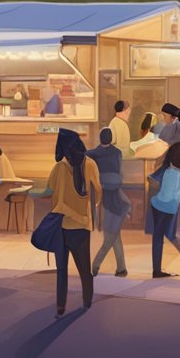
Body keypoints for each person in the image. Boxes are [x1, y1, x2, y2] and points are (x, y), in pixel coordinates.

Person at [44, 129, 101, 316]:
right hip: (82, 225)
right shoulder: (90, 164)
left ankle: (61, 307)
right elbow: (98, 191)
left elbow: (49, 190)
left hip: (61, 225)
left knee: (62, 269)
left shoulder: (59, 168)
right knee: (84, 267)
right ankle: (87, 301)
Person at [87, 127, 131, 278]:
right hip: (118, 199)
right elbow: (120, 172)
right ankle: (121, 268)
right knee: (114, 236)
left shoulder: (93, 154)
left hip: (105, 200)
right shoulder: (117, 153)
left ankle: (95, 265)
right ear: (111, 139)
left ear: (100, 139)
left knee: (110, 238)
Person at [149, 141, 180, 278]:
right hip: (171, 209)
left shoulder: (168, 171)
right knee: (170, 235)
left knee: (158, 238)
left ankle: (157, 270)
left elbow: (162, 193)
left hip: (160, 207)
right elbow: (178, 196)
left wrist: (154, 198)